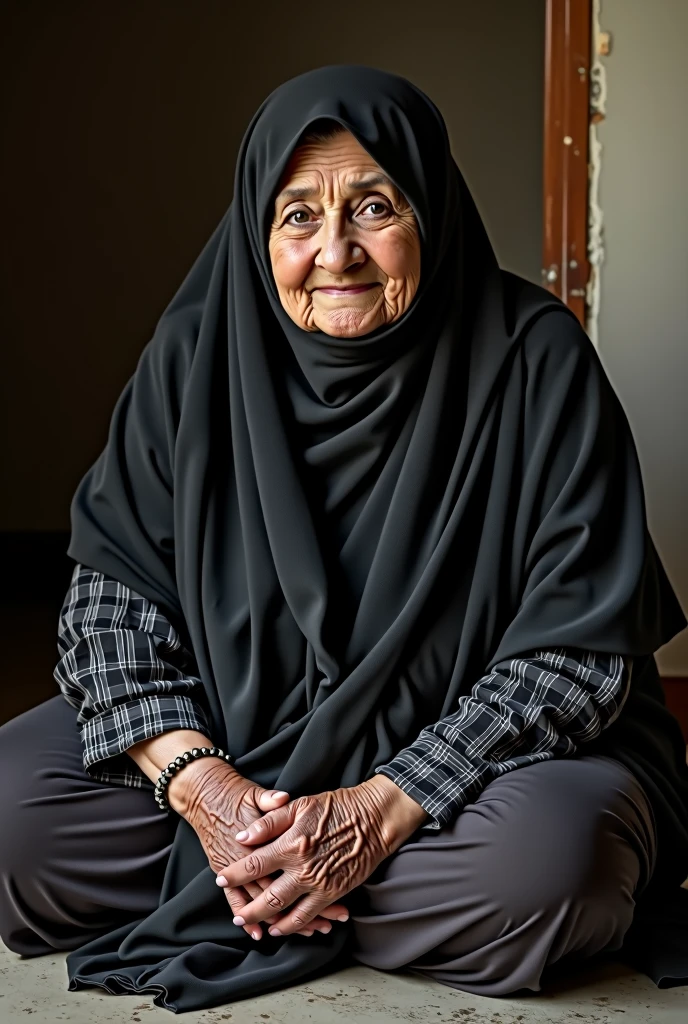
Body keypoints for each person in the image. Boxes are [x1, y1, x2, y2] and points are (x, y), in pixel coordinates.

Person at [1, 66, 687, 1013]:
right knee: (12, 816)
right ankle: (293, 879)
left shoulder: (536, 360)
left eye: (373, 207)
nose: (336, 252)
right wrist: (202, 787)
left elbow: (575, 656)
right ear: (256, 226)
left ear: (431, 213)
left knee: (544, 867)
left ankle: (261, 889)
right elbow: (109, 602)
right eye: (297, 217)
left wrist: (378, 810)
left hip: (466, 768)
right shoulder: (194, 357)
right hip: (237, 742)